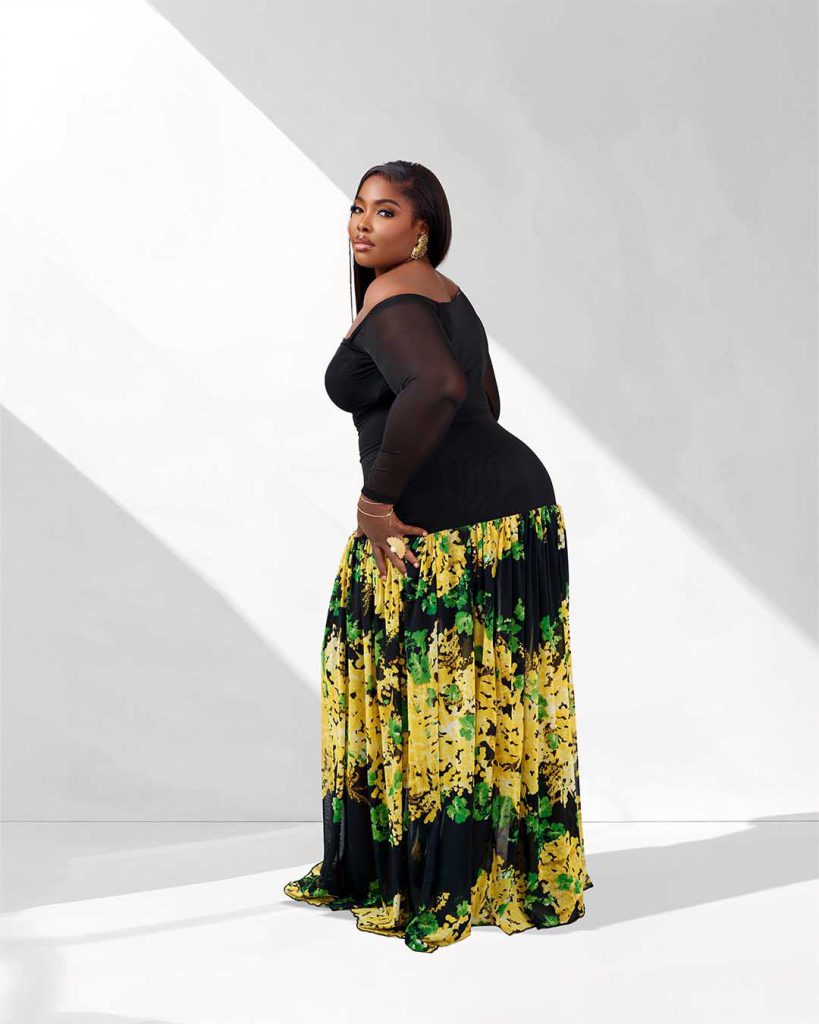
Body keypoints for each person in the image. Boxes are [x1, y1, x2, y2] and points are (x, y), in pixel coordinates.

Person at [284, 161, 593, 953]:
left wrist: (376, 501)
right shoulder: (442, 293)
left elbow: (441, 388)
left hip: (451, 529)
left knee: (434, 698)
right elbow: (484, 402)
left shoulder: (394, 295)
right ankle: (485, 870)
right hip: (513, 515)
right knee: (483, 699)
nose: (362, 223)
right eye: (357, 207)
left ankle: (434, 878)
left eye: (385, 212)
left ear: (420, 230)